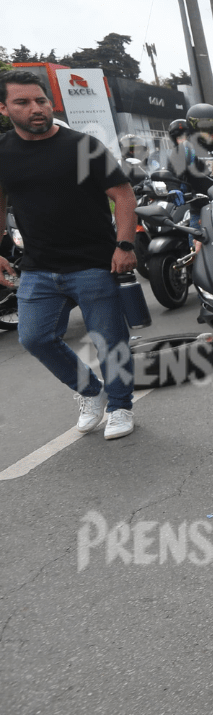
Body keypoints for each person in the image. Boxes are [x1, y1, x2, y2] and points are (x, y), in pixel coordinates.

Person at [0, 68, 140, 439]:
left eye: (41, 100)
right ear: (3, 108)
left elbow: (123, 195)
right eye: (23, 102)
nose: (36, 108)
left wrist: (124, 245)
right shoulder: (3, 152)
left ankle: (122, 405)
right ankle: (90, 391)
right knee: (34, 337)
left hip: (94, 263)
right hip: (38, 267)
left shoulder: (83, 146)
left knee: (110, 340)